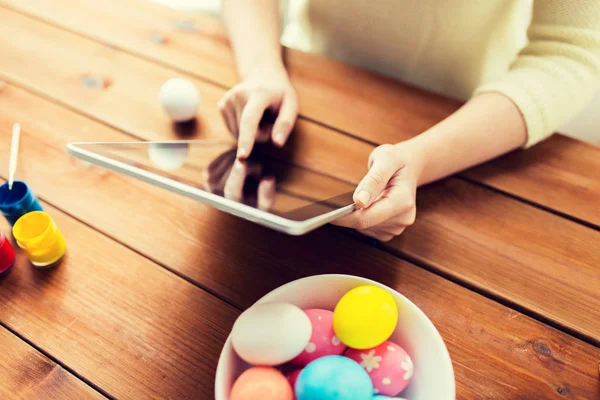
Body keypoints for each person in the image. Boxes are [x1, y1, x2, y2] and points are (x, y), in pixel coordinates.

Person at [218, 0, 600, 241]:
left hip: (466, 126)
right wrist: (262, 69)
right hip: (310, 95)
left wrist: (423, 159)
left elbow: (569, 51)